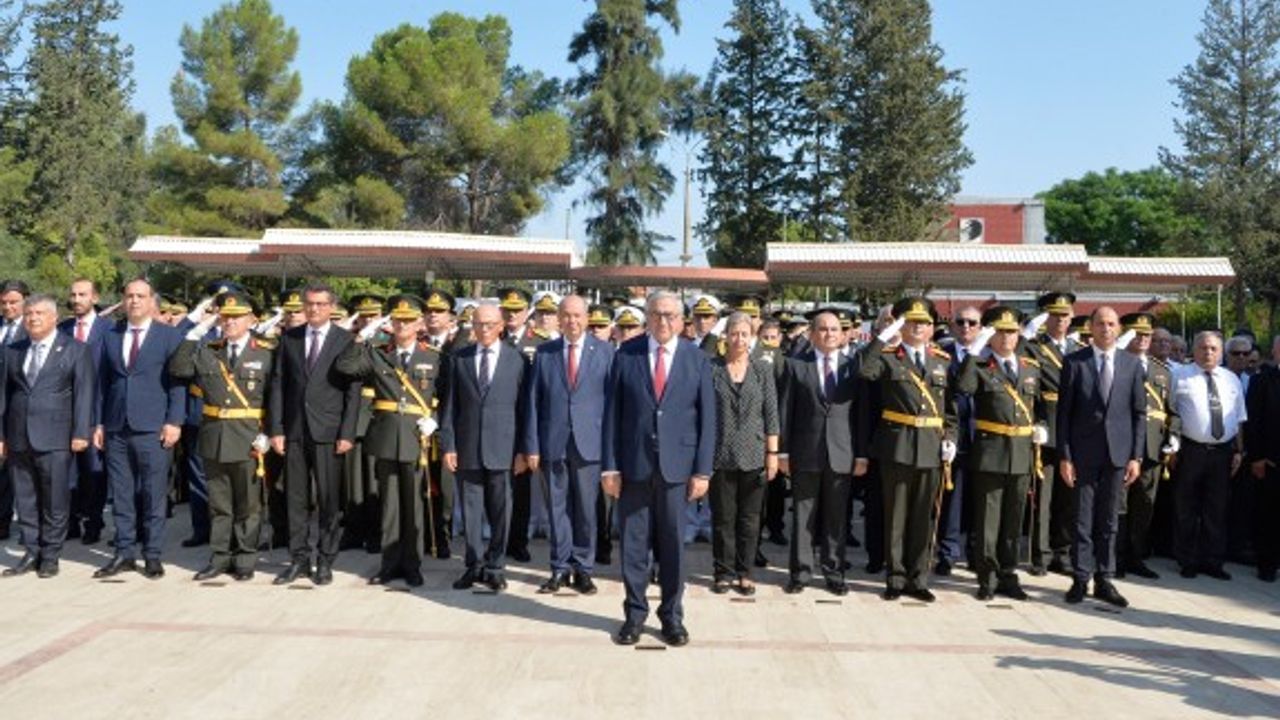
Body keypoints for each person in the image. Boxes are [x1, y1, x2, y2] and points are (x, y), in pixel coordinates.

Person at [602, 291, 715, 647]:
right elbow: (612, 415)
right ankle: (634, 616)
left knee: (673, 548)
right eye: (656, 314)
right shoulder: (626, 354)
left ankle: (672, 617)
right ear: (647, 318)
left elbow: (708, 420)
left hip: (677, 470)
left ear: (681, 321)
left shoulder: (697, 359)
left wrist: (702, 471)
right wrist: (609, 468)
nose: (663, 321)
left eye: (670, 315)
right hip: (634, 467)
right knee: (633, 547)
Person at [168, 291, 274, 581]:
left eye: (236, 317)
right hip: (215, 437)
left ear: (251, 319)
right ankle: (219, 557)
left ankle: (245, 558)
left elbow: (276, 397)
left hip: (249, 437)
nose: (229, 322)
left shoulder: (266, 353)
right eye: (225, 317)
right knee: (219, 504)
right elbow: (179, 368)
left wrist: (269, 433)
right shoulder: (208, 350)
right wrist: (196, 332)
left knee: (248, 505)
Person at [336, 295, 441, 587]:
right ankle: (390, 563)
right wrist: (361, 337)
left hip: (416, 437)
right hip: (385, 437)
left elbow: (446, 394)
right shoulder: (378, 353)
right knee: (390, 505)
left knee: (414, 504)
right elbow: (345, 366)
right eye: (397, 320)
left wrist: (435, 419)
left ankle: (412, 564)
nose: (402, 325)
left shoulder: (434, 356)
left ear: (419, 323)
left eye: (408, 320)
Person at [858, 297, 956, 603]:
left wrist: (951, 438)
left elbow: (950, 409)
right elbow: (865, 370)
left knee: (923, 517)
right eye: (912, 322)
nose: (918, 327)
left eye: (924, 323)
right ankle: (895, 577)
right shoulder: (888, 357)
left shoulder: (942, 361)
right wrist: (884, 337)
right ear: (902, 325)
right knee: (896, 516)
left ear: (932, 328)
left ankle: (918, 578)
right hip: (898, 446)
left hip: (931, 447)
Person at [267, 282, 361, 587]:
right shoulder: (290, 338)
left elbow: (353, 392)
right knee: (295, 499)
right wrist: (276, 429)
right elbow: (279, 385)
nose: (314, 309)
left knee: (328, 500)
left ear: (331, 307)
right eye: (309, 304)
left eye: (320, 304)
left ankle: (325, 559)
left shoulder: (345, 340)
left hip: (329, 432)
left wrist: (347, 432)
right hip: (295, 430)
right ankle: (299, 559)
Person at [521, 295, 614, 595]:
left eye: (577, 315)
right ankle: (559, 567)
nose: (572, 321)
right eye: (566, 315)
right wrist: (532, 446)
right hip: (553, 443)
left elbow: (613, 405)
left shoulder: (605, 352)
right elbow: (533, 402)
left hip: (590, 444)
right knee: (556, 509)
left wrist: (611, 451)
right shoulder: (544, 353)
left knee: (586, 510)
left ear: (587, 318)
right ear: (559, 319)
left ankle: (583, 568)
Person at [94, 278, 187, 580]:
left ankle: (153, 554)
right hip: (116, 426)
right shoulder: (111, 335)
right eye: (129, 296)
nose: (134, 301)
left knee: (152, 494)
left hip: (153, 427)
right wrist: (98, 423)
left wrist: (174, 421)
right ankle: (123, 552)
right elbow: (102, 383)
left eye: (140, 296)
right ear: (123, 300)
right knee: (121, 494)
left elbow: (177, 384)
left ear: (151, 301)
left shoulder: (169, 336)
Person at [952, 306, 1044, 601]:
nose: (1006, 337)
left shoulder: (1030, 367)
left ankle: (1008, 574)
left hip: (1021, 454)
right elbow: (963, 388)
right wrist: (973, 353)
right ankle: (987, 577)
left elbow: (1040, 408)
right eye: (1000, 332)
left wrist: (1042, 427)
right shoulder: (980, 366)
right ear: (990, 335)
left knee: (1013, 521)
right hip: (991, 453)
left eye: (1012, 332)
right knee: (988, 521)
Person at [0, 294, 95, 578]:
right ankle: (31, 551)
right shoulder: (13, 350)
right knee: (25, 499)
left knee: (55, 499)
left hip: (56, 436)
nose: (33, 318)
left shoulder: (75, 349)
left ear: (54, 317)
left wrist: (81, 432)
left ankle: (51, 554)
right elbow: (3, 395)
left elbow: (84, 394)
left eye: (39, 313)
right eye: (29, 313)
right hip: (18, 435)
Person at [1057, 307, 1145, 607]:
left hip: (1118, 454)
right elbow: (1064, 415)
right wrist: (1065, 456)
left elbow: (1139, 413)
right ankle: (1081, 578)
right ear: (1091, 328)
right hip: (1083, 454)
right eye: (1100, 323)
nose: (1105, 329)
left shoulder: (1132, 364)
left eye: (1110, 323)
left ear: (1118, 328)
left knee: (1109, 520)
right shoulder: (1074, 362)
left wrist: (1136, 457)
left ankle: (1105, 579)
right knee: (1082, 520)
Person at [778, 310, 866, 596]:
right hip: (805, 452)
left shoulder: (853, 367)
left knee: (836, 518)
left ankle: (834, 572)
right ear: (812, 334)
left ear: (842, 334)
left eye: (834, 329)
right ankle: (800, 573)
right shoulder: (796, 366)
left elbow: (861, 414)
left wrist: (861, 455)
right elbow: (785, 411)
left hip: (842, 453)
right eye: (823, 329)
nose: (829, 334)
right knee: (803, 516)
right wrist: (782, 453)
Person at [440, 301, 526, 593]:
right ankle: (473, 565)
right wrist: (449, 445)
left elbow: (524, 410)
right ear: (472, 327)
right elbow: (450, 407)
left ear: (501, 326)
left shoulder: (517, 360)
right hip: (467, 447)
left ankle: (496, 566)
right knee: (471, 511)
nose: (484, 329)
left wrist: (523, 450)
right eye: (479, 324)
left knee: (502, 511)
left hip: (504, 448)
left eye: (490, 324)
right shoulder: (460, 359)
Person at [707, 312, 779, 595]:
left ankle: (745, 572)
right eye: (734, 333)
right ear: (725, 336)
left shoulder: (762, 370)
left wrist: (772, 453)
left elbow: (771, 414)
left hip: (754, 454)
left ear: (752, 338)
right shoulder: (712, 368)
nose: (739, 339)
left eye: (744, 334)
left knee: (750, 519)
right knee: (723, 518)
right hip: (720, 454)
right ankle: (723, 572)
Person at [1170, 331, 1245, 581]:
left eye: (1213, 348)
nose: (1208, 352)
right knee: (1187, 507)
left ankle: (1213, 561)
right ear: (1194, 350)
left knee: (1217, 508)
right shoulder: (1179, 375)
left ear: (1221, 352)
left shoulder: (1231, 379)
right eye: (1203, 347)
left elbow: (1239, 418)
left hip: (1223, 453)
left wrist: (1239, 451)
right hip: (1191, 450)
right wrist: (1172, 449)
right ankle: (1187, 560)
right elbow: (1170, 413)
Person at [1021, 292, 1081, 577]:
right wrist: (1036, 422)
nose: (1060, 320)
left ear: (1072, 318)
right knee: (1042, 498)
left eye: (1065, 315)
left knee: (1069, 495)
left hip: (1074, 430)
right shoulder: (1034, 348)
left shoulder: (1079, 348)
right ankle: (1040, 554)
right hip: (1047, 423)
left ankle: (1063, 551)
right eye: (1054, 315)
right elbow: (1026, 388)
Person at [1117, 313, 1180, 580]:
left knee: (1144, 504)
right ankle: (1114, 557)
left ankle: (1136, 556)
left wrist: (1174, 435)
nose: (1143, 339)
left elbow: (1172, 410)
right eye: (1137, 333)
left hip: (1153, 446)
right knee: (1119, 504)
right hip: (1122, 444)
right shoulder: (1116, 363)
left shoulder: (1162, 371)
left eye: (1147, 335)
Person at [58, 278, 113, 546]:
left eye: (82, 294)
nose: (77, 299)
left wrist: (102, 421)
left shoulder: (110, 330)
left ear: (95, 297)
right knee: (66, 472)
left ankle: (93, 522)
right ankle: (70, 522)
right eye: (73, 294)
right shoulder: (62, 329)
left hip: (95, 412)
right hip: (64, 413)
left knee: (93, 472)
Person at [937, 305, 981, 575]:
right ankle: (948, 552)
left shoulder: (989, 355)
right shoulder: (941, 356)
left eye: (972, 323)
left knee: (980, 498)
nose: (966, 327)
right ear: (952, 326)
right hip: (953, 435)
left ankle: (976, 552)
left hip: (985, 436)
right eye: (961, 322)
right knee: (952, 498)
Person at [1246, 334, 1280, 582]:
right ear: (1275, 351)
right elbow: (1253, 421)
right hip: (1270, 460)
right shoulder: (1261, 380)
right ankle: (1267, 564)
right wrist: (1257, 457)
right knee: (1269, 514)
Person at [0, 278, 29, 542]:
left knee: (17, 470)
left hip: (17, 409)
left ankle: (27, 526)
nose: (8, 307)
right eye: (4, 302)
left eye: (14, 302)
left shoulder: (32, 330)